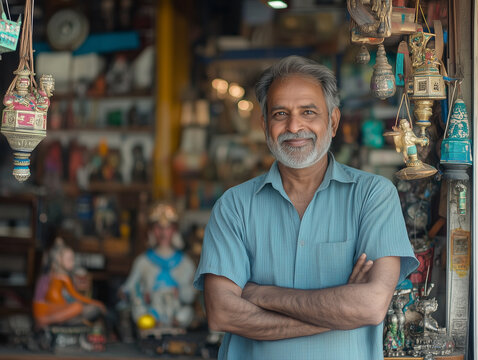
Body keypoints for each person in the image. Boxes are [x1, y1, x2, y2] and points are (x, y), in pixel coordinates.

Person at [193, 56, 419, 360]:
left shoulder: (373, 196)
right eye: (280, 114)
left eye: (308, 112)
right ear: (264, 125)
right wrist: (337, 314)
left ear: (333, 121)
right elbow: (223, 313)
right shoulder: (234, 206)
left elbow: (371, 305)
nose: (294, 126)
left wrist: (261, 294)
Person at [120, 202, 196, 328]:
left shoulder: (185, 263)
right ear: (151, 230)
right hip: (151, 314)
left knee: (187, 313)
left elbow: (190, 296)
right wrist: (133, 293)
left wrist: (180, 292)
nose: (163, 233)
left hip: (175, 313)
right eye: (158, 227)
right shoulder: (143, 261)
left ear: (174, 230)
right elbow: (129, 288)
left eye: (167, 228)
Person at [33, 238, 106, 328]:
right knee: (79, 307)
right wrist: (95, 302)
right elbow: (75, 296)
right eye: (69, 259)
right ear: (59, 259)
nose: (73, 262)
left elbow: (73, 297)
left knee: (89, 310)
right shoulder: (50, 278)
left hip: (60, 309)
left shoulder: (66, 277)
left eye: (73, 259)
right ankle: (50, 322)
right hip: (47, 313)